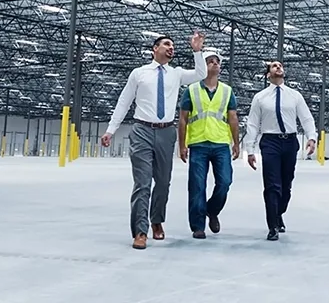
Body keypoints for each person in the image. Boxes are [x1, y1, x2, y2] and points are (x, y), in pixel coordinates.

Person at [100, 31, 207, 250]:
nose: (171, 48)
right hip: (141, 130)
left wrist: (197, 50)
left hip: (166, 132)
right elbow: (124, 102)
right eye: (166, 44)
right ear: (154, 49)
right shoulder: (139, 74)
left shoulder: (175, 74)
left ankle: (157, 219)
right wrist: (111, 130)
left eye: (173, 46)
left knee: (163, 182)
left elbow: (200, 74)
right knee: (142, 183)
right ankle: (140, 231)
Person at [244, 60, 316, 241]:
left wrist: (312, 137)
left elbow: (306, 118)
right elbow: (252, 124)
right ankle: (273, 225)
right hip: (270, 142)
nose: (278, 67)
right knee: (272, 185)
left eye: (280, 65)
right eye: (274, 66)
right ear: (268, 74)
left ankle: (278, 212)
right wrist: (250, 150)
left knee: (286, 185)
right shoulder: (260, 97)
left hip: (290, 142)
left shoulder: (294, 96)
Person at [177, 51, 239, 239]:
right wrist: (181, 145)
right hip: (198, 143)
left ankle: (212, 210)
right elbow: (182, 119)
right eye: (210, 61)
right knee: (197, 185)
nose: (214, 64)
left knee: (225, 182)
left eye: (217, 62)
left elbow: (233, 118)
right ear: (203, 66)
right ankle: (198, 226)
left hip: (221, 143)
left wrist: (236, 143)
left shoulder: (227, 91)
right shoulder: (191, 90)